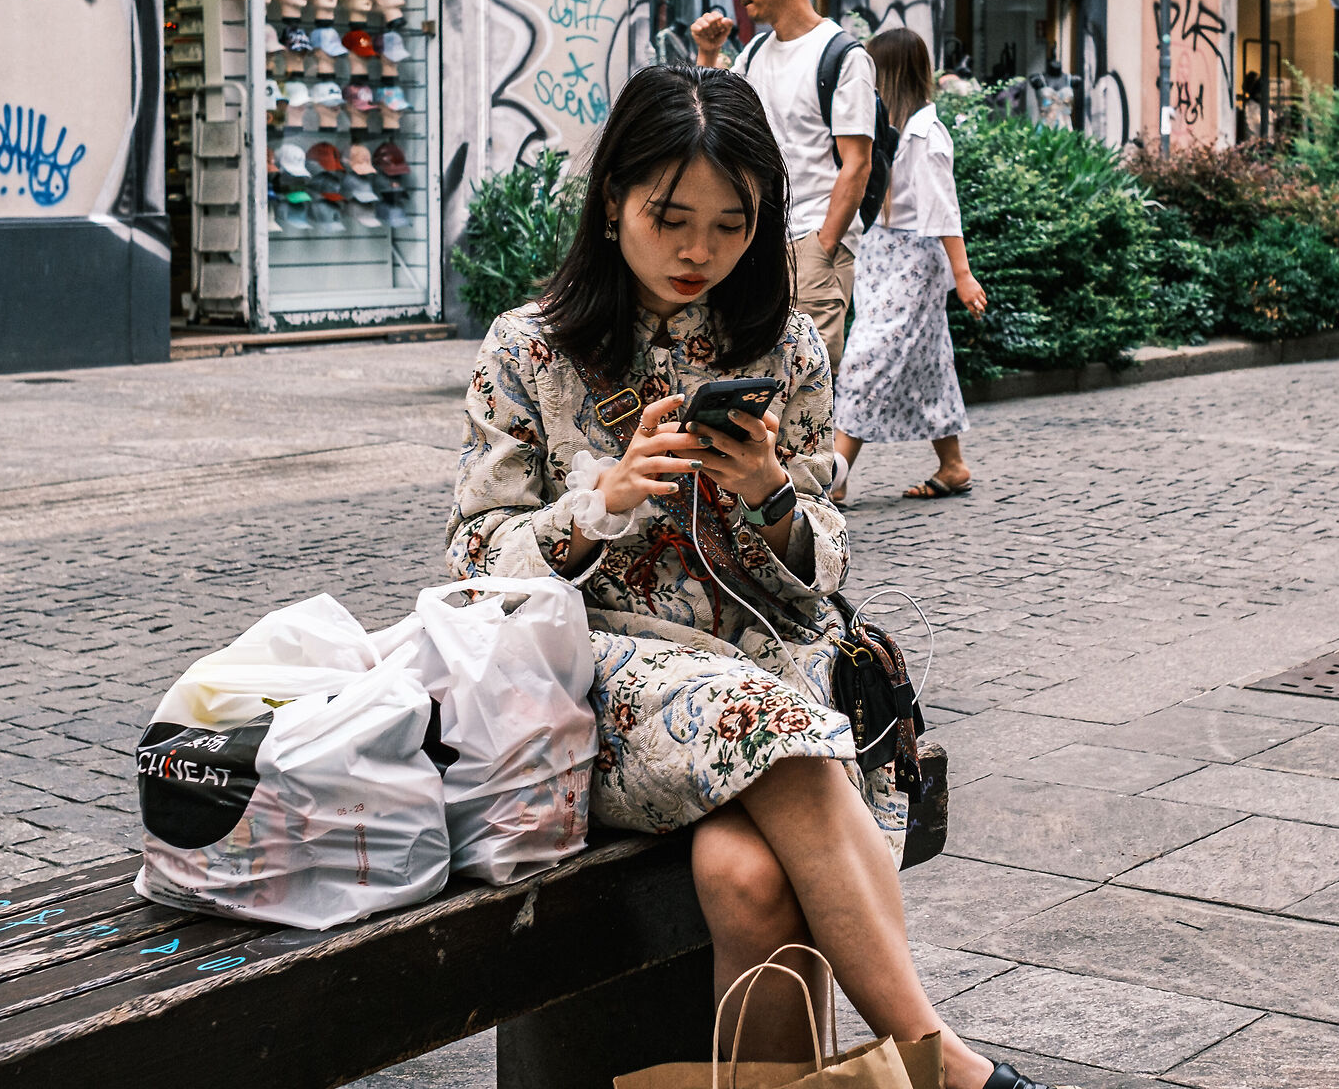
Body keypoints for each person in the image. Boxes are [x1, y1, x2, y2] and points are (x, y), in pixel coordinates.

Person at [443, 66, 1049, 1089]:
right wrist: (606, 498)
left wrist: (769, 489)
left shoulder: (787, 345)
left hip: (765, 677)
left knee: (746, 874)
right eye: (669, 217)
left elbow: (823, 567)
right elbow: (469, 562)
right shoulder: (530, 347)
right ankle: (947, 1067)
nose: (698, 251)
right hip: (595, 688)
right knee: (769, 721)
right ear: (612, 202)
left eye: (732, 225)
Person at [692, 0, 875, 374]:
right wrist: (708, 52)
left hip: (811, 240)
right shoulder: (754, 52)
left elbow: (858, 162)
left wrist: (822, 247)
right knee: (747, 372)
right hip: (759, 240)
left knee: (808, 379)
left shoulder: (842, 56)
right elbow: (709, 117)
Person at [834, 29, 987, 501]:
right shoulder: (887, 133)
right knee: (929, 363)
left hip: (913, 261)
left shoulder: (925, 134)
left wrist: (963, 276)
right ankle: (953, 464)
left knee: (865, 362)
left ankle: (834, 477)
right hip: (883, 255)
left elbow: (944, 209)